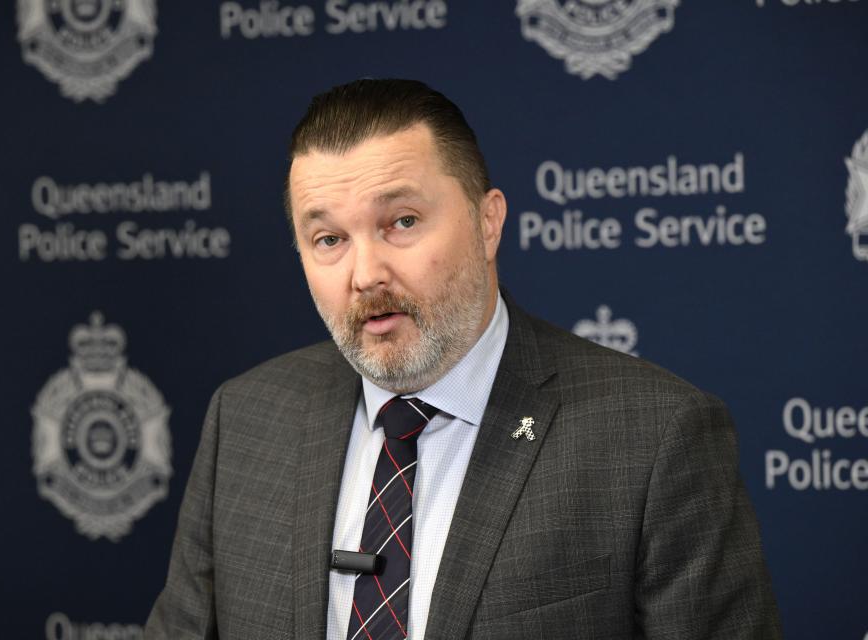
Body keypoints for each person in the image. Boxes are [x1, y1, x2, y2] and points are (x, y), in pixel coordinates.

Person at [146, 78, 782, 639]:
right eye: (329, 239)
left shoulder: (653, 438)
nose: (366, 274)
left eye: (401, 222)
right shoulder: (246, 419)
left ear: (487, 222)